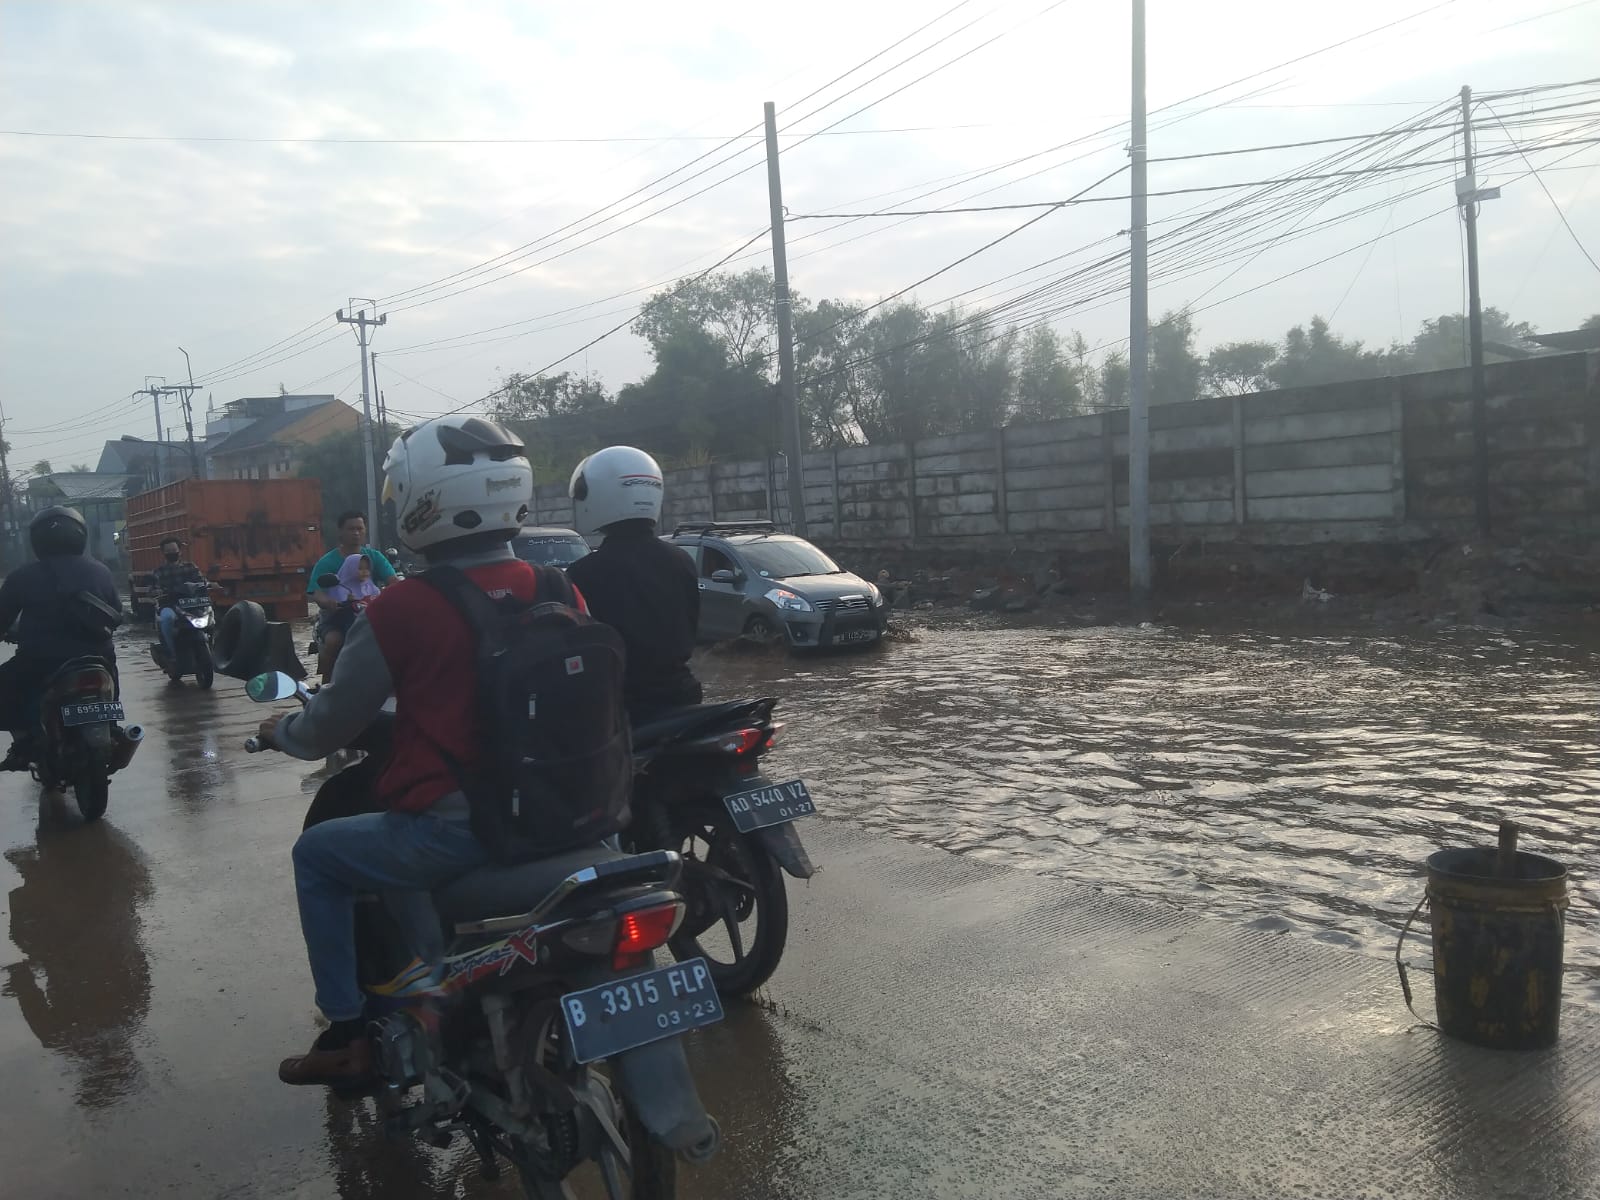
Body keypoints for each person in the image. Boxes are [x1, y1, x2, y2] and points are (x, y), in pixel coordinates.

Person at [255, 415, 586, 1088]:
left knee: (316, 855)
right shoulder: (561, 588)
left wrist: (281, 733)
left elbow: (330, 726)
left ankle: (348, 1030)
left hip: (458, 833)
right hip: (568, 816)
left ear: (421, 500)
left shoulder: (403, 607)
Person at [565, 445, 702, 720]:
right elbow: (692, 629)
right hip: (684, 697)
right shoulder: (682, 560)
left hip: (624, 706)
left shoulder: (583, 573)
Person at [0, 508, 122, 771]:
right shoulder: (101, 571)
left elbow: (2, 618)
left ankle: (23, 743)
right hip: (98, 657)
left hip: (41, 660)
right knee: (109, 679)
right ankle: (112, 727)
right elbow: (116, 611)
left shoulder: (22, 576)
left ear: (38, 540)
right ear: (80, 535)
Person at [309, 513, 397, 681]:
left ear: (365, 531)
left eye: (359, 528)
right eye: (351, 529)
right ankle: (327, 686)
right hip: (337, 617)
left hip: (369, 614)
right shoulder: (327, 562)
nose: (356, 533)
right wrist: (330, 602)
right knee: (334, 641)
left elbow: (393, 581)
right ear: (340, 532)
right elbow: (317, 592)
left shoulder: (374, 557)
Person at [151, 537, 204, 661]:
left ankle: (209, 644)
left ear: (180, 551)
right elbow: (153, 588)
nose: (171, 553)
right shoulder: (159, 572)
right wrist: (156, 591)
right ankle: (172, 653)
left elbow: (201, 581)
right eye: (168, 551)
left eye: (174, 550)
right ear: (163, 553)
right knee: (167, 618)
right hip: (169, 606)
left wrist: (209, 585)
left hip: (191, 605)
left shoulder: (191, 567)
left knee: (207, 616)